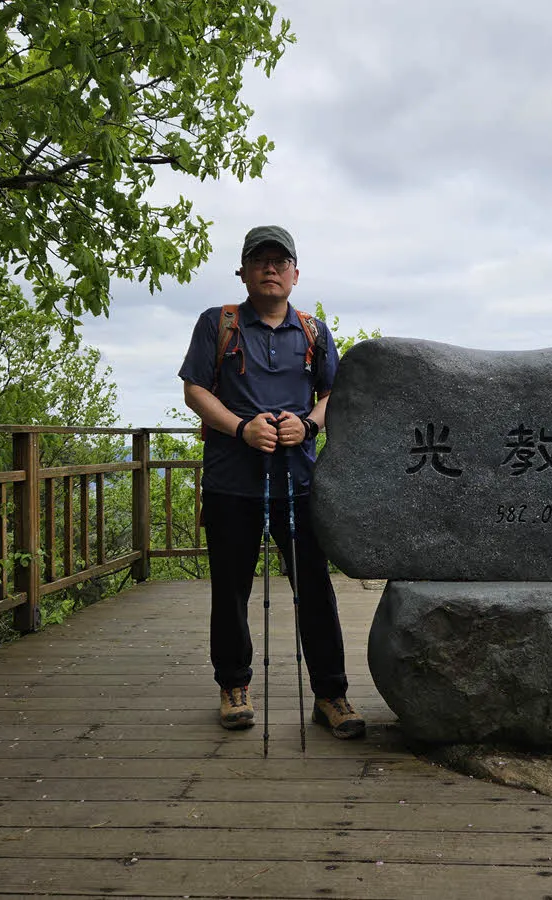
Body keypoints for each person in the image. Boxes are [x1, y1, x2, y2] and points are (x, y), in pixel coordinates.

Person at [178, 225, 365, 739]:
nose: (271, 269)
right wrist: (242, 427)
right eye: (260, 261)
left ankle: (331, 695)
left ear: (295, 273)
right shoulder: (218, 323)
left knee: (316, 590)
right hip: (230, 482)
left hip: (300, 483)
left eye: (280, 262)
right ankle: (234, 685)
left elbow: (332, 397)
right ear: (243, 271)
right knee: (231, 590)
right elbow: (195, 390)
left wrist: (306, 423)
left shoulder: (314, 330)